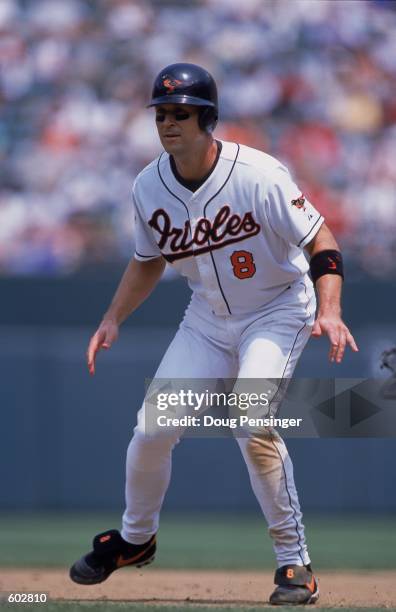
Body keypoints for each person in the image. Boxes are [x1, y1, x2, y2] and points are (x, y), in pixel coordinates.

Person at [69, 63, 358, 605]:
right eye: (161, 113)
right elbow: (146, 260)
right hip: (206, 318)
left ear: (207, 119)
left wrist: (331, 308)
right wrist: (112, 318)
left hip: (277, 310)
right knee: (152, 431)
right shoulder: (148, 185)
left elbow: (323, 242)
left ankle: (294, 563)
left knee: (251, 423)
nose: (168, 122)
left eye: (181, 113)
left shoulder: (259, 173)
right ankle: (135, 540)